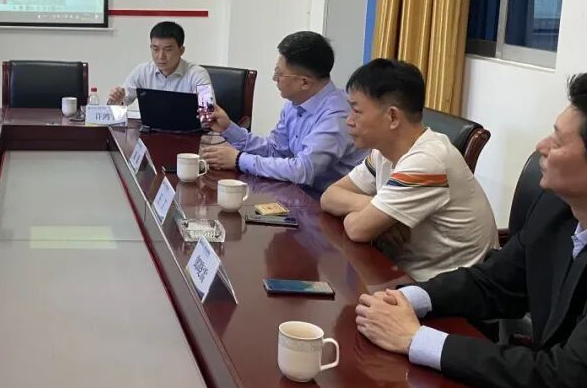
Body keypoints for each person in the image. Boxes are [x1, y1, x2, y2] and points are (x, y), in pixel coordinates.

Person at [355, 71, 587, 388]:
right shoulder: (556, 209)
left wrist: (415, 339)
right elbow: (494, 281)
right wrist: (406, 299)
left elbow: (569, 375)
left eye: (558, 141)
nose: (541, 146)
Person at [321, 59, 498, 281]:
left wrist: (372, 214)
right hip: (402, 275)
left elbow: (357, 229)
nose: (349, 120)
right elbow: (329, 196)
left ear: (393, 117)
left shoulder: (427, 162)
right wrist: (371, 205)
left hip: (447, 288)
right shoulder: (385, 152)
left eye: (357, 111)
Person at [200, 31, 363, 192]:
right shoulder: (294, 103)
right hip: (297, 191)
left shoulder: (337, 115)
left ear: (304, 82)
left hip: (325, 201)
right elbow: (275, 150)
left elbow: (303, 170)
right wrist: (229, 128)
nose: (274, 79)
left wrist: (238, 160)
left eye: (279, 74)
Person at [106, 21, 212, 106]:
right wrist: (116, 102)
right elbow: (120, 106)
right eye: (155, 49)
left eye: (168, 50)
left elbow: (208, 113)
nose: (161, 56)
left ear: (181, 50)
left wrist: (205, 115)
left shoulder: (198, 74)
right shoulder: (142, 71)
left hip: (187, 127)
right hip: (150, 127)